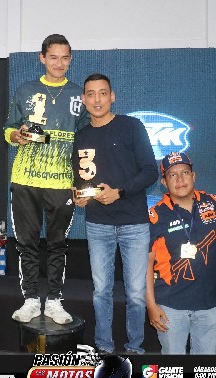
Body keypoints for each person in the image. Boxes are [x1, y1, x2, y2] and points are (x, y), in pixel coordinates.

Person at [4, 33, 89, 324]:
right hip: (25, 179)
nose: (59, 63)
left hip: (62, 181)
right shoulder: (25, 90)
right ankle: (30, 299)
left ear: (71, 59)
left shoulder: (79, 94)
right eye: (53, 57)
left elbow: (86, 140)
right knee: (26, 243)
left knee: (57, 244)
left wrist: (81, 181)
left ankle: (54, 300)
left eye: (65, 58)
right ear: (42, 58)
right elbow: (8, 128)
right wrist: (16, 136)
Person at [72, 73, 158, 354]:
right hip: (98, 224)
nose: (97, 99)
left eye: (102, 93)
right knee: (101, 292)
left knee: (135, 293)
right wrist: (79, 197)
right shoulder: (81, 137)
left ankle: (134, 348)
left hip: (134, 223)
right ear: (84, 100)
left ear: (112, 96)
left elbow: (150, 171)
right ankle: (104, 347)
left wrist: (120, 192)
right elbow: (81, 180)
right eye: (91, 94)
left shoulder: (131, 126)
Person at [147, 152, 216, 378]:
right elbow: (145, 264)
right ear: (164, 182)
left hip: (211, 305)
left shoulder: (215, 204)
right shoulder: (155, 215)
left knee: (205, 374)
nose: (180, 179)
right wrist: (150, 304)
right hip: (171, 306)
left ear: (194, 176)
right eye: (172, 175)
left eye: (184, 173)